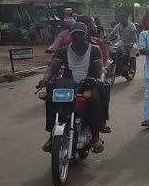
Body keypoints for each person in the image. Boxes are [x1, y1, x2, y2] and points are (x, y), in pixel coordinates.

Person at [39, 22, 108, 153]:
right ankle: (51, 137)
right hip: (68, 83)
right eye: (74, 34)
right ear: (71, 36)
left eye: (80, 34)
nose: (77, 37)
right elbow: (53, 66)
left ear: (86, 35)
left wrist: (100, 79)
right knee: (51, 100)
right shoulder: (64, 50)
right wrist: (45, 79)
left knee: (94, 100)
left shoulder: (94, 49)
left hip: (88, 82)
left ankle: (95, 137)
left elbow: (100, 68)